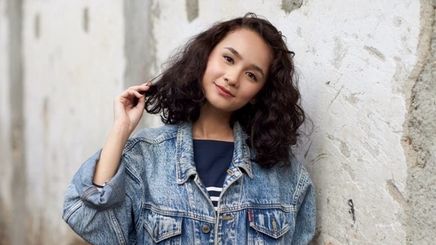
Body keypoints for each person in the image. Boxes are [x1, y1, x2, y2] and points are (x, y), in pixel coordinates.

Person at [63, 13, 316, 245]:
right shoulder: (146, 157)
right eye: (228, 59)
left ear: (258, 95)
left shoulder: (285, 175)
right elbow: (90, 222)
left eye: (252, 75)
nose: (232, 77)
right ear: (205, 57)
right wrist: (121, 129)